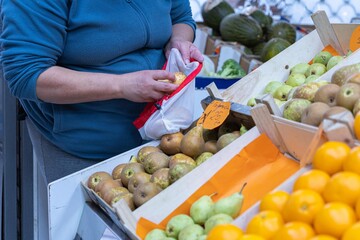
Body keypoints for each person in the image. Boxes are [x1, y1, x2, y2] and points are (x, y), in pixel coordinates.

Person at [0, 1, 204, 182]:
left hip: (164, 133)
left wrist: (179, 40)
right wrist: (121, 85)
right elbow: (27, 75)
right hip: (85, 144)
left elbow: (180, 16)